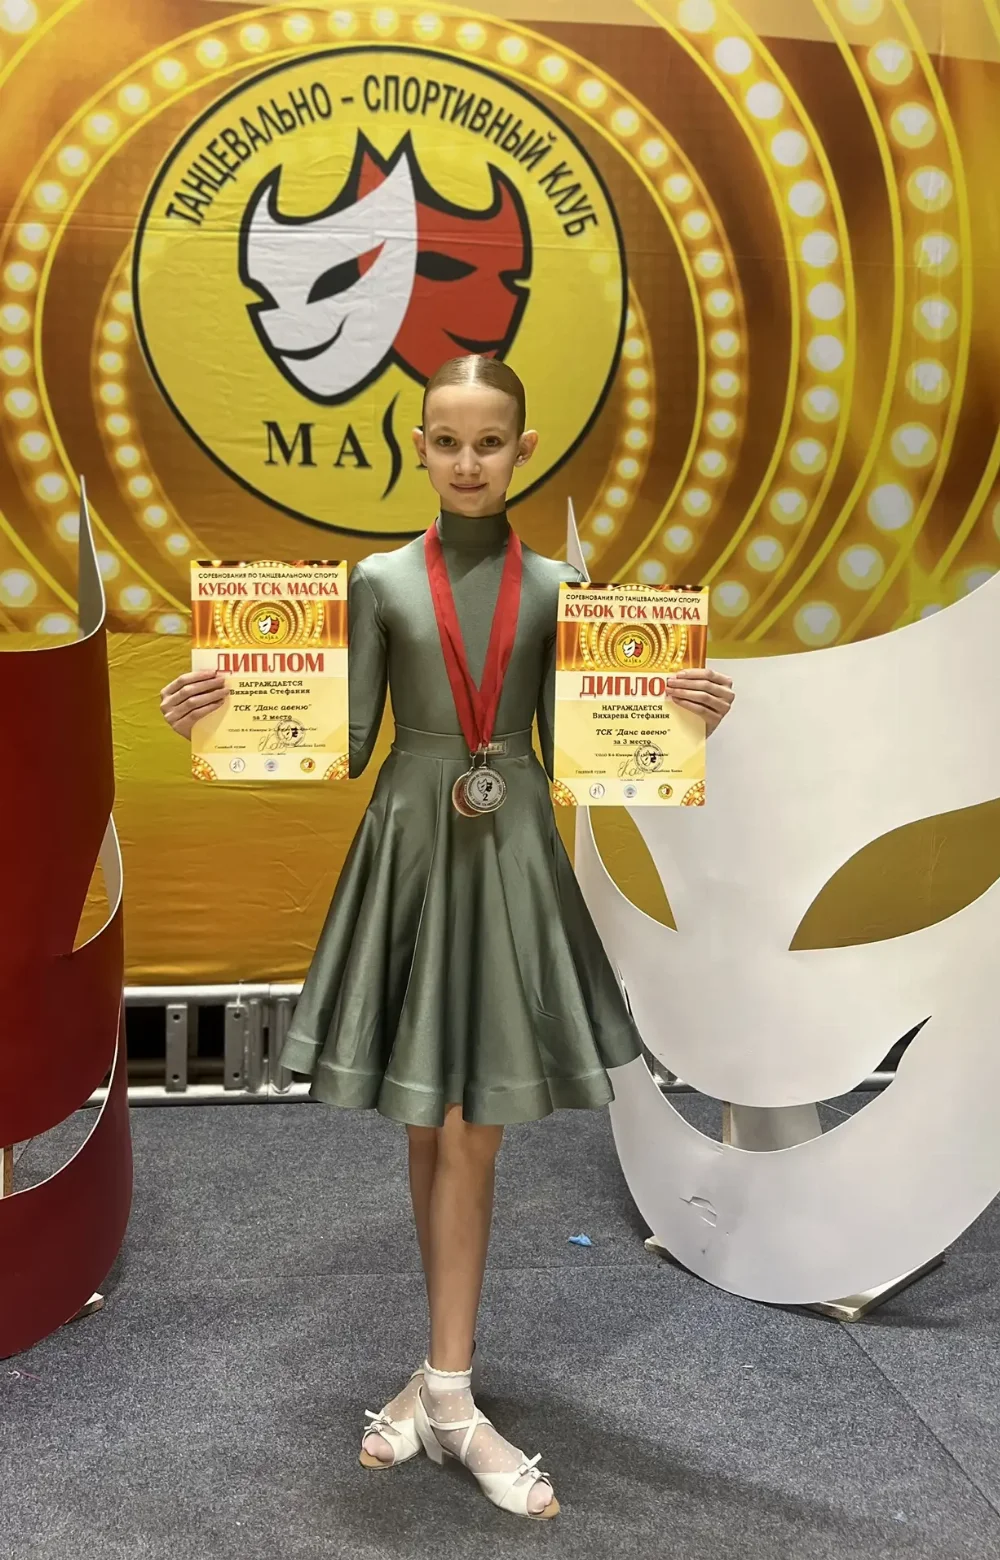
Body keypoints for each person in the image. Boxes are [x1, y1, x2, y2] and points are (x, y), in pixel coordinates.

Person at [160, 355, 735, 1520]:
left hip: (509, 850)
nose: (467, 461)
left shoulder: (565, 588)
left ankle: (453, 1397)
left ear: (524, 449)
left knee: (471, 1131)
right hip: (412, 851)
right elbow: (342, 738)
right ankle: (439, 1377)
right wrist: (211, 716)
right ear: (418, 447)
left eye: (488, 442)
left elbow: (587, 748)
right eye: (447, 440)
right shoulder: (378, 581)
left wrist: (681, 717)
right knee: (429, 1126)